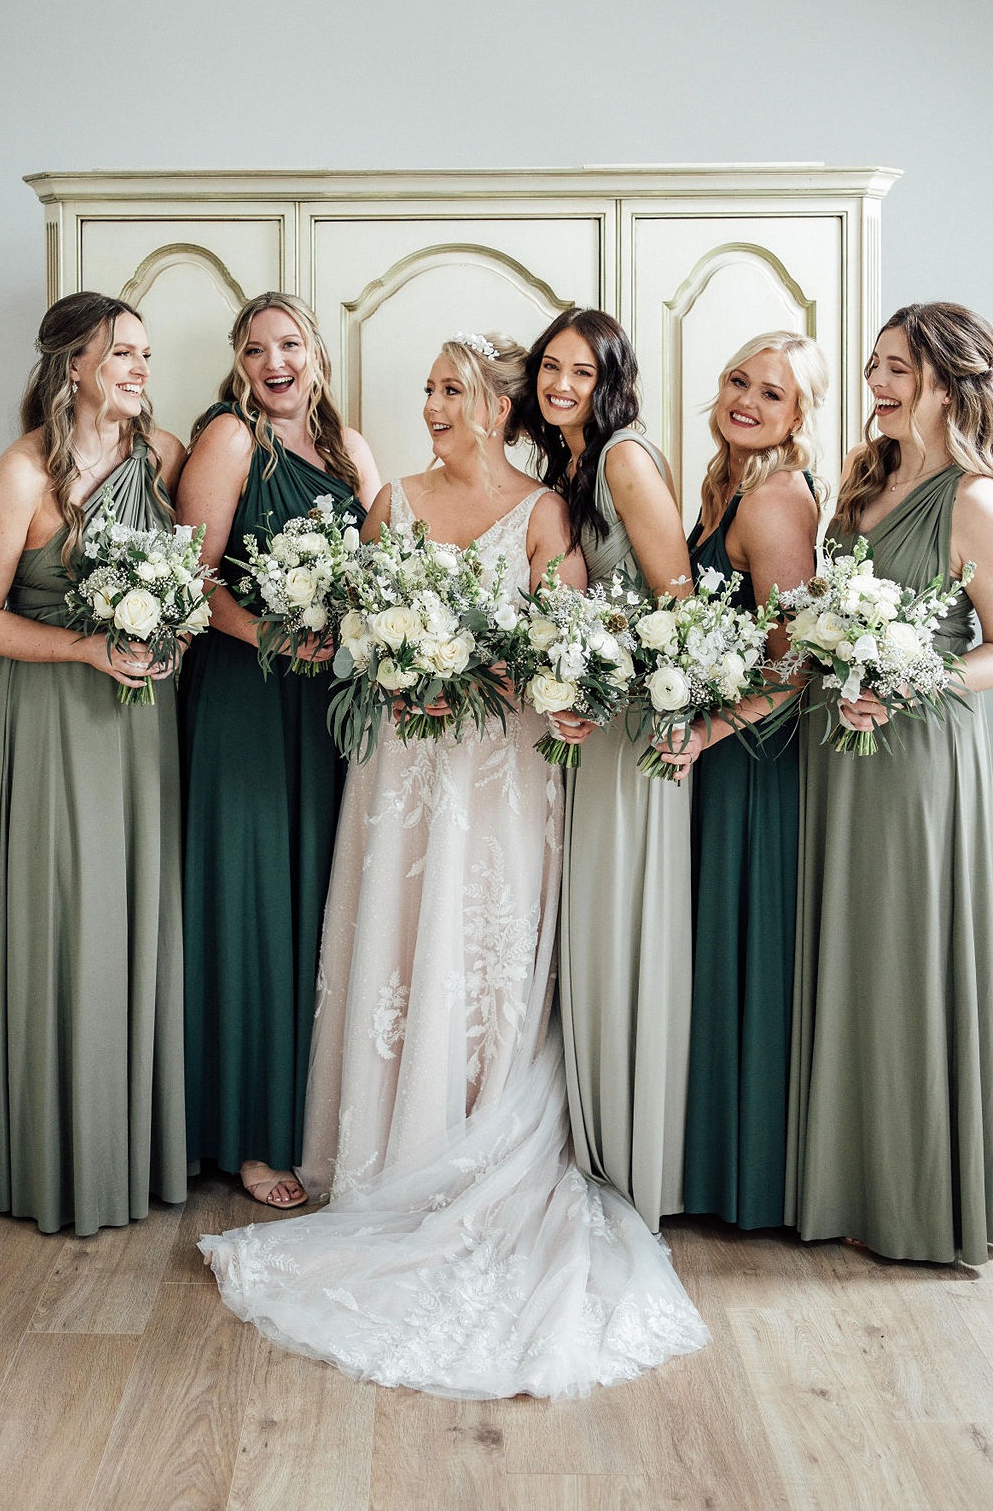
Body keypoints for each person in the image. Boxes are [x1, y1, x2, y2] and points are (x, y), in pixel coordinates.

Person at [199, 333, 708, 1398]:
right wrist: (395, 670)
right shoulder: (392, 505)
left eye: (451, 387)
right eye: (426, 386)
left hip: (504, 770)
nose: (432, 403)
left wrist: (480, 668)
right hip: (402, 769)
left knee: (485, 947)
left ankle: (475, 1132)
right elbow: (353, 633)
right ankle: (382, 1148)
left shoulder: (546, 508)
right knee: (391, 936)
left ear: (495, 402)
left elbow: (560, 643)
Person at [0, 291, 188, 1235]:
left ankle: (132, 1149)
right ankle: (56, 1156)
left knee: (135, 917)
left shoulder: (161, 456)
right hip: (58, 721)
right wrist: (86, 649)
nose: (140, 369)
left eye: (144, 353)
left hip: (143, 727)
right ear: (73, 367)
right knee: (68, 918)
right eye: (122, 354)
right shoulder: (22, 475)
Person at [785, 302, 993, 1264]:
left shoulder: (973, 498)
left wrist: (914, 680)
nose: (878, 382)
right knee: (855, 948)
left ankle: (918, 1199)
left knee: (908, 952)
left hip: (921, 761)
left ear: (948, 380)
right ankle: (852, 1182)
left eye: (898, 368)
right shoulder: (861, 485)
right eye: (875, 366)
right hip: (842, 753)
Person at [177, 292, 380, 1210]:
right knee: (252, 903)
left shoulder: (348, 451)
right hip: (246, 699)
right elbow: (195, 582)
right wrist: (273, 637)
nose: (273, 362)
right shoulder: (229, 439)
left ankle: (314, 1122)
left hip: (326, 705)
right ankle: (246, 1135)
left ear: (316, 353)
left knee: (315, 908)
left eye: (288, 344)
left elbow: (395, 559)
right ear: (239, 361)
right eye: (255, 349)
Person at [518, 308, 694, 1231]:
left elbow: (677, 600)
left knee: (626, 924)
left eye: (581, 372)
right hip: (589, 721)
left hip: (636, 726)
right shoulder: (571, 464)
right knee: (592, 925)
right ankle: (593, 1144)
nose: (560, 385)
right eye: (551, 367)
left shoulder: (624, 456)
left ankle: (633, 1159)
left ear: (610, 379)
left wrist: (604, 679)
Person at [659, 332, 827, 1230]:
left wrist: (707, 730)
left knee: (747, 946)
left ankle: (750, 1178)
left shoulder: (773, 501)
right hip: (724, 751)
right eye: (738, 381)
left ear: (800, 415)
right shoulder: (727, 482)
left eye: (773, 393)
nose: (748, 402)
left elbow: (794, 666)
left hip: (758, 761)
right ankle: (718, 1166)